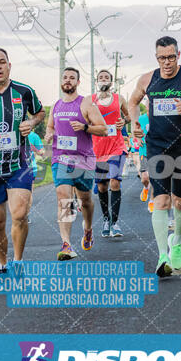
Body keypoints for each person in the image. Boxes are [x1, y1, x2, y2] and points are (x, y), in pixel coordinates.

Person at [129, 35, 181, 277]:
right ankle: (162, 255)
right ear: (156, 58)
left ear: (179, 55)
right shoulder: (147, 79)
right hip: (156, 146)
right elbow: (133, 103)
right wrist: (135, 123)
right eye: (162, 58)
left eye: (171, 57)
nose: (167, 62)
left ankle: (176, 242)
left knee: (180, 202)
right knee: (161, 201)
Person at [0, 47, 45, 272]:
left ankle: (19, 261)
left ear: (9, 65)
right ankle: (3, 263)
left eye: (2, 62)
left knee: (20, 214)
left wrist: (32, 123)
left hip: (19, 164)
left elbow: (40, 112)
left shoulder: (24, 91)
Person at [45, 67, 107, 260]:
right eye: (65, 77)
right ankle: (66, 244)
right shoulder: (55, 106)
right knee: (63, 196)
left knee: (86, 200)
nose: (68, 80)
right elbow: (50, 127)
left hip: (84, 160)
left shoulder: (86, 104)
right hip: (61, 159)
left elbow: (103, 129)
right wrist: (48, 134)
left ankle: (88, 229)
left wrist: (85, 127)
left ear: (78, 82)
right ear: (61, 81)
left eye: (72, 78)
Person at [92, 69, 129, 238]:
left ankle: (115, 223)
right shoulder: (90, 100)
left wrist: (123, 120)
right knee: (102, 186)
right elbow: (84, 119)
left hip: (116, 146)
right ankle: (106, 219)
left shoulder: (119, 98)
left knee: (115, 181)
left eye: (106, 77)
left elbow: (128, 116)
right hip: (98, 148)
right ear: (96, 81)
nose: (103, 79)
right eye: (101, 77)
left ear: (111, 82)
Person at [137, 99, 155, 212]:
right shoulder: (141, 118)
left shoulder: (159, 118)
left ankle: (152, 200)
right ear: (146, 106)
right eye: (149, 104)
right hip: (144, 151)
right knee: (145, 178)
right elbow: (136, 130)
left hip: (156, 151)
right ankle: (145, 187)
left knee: (154, 177)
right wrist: (138, 138)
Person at [27, 129, 46, 223]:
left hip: (30, 168)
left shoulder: (33, 136)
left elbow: (42, 152)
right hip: (14, 168)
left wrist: (35, 149)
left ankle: (26, 214)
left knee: (28, 192)